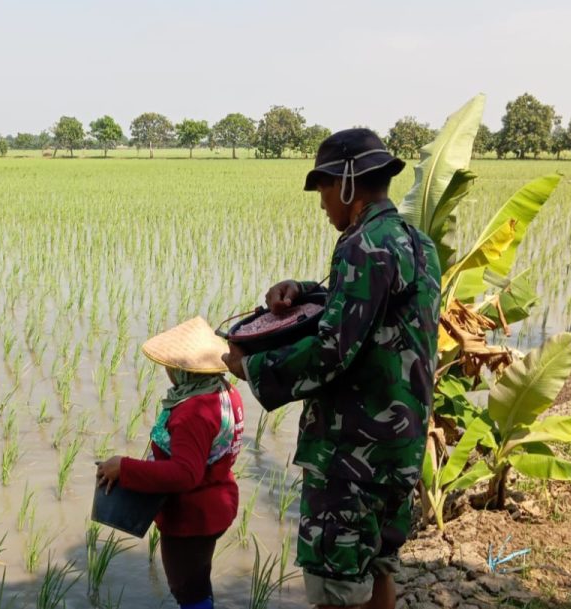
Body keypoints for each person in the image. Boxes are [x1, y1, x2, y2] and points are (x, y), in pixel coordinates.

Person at [221, 129, 441, 609]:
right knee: (380, 567)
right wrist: (303, 289)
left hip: (351, 455)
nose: (321, 202)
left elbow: (332, 351)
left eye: (322, 187)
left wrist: (252, 366)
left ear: (346, 183)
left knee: (337, 589)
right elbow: (372, 309)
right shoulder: (416, 242)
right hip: (398, 450)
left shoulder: (361, 245)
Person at [96, 316, 245, 609]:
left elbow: (184, 473)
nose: (167, 370)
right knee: (199, 580)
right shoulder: (224, 392)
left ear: (183, 370)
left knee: (186, 589)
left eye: (171, 366)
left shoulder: (192, 411)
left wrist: (123, 467)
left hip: (191, 516)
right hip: (217, 503)